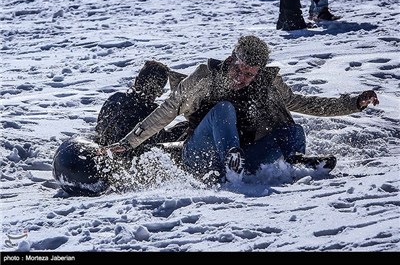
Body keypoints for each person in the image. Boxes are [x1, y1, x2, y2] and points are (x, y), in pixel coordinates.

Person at [102, 35, 379, 184]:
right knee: (223, 109)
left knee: (293, 128)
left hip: (245, 160)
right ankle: (232, 161)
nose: (242, 78)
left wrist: (353, 104)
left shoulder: (267, 83)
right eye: (239, 69)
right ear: (231, 58)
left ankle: (295, 164)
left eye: (250, 74)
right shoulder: (203, 77)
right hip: (202, 157)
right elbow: (167, 111)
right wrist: (128, 143)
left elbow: (304, 103)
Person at [95, 60, 188, 161]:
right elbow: (162, 140)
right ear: (159, 92)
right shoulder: (152, 112)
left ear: (136, 81)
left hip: (104, 156)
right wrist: (184, 127)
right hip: (129, 162)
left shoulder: (116, 98)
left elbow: (100, 127)